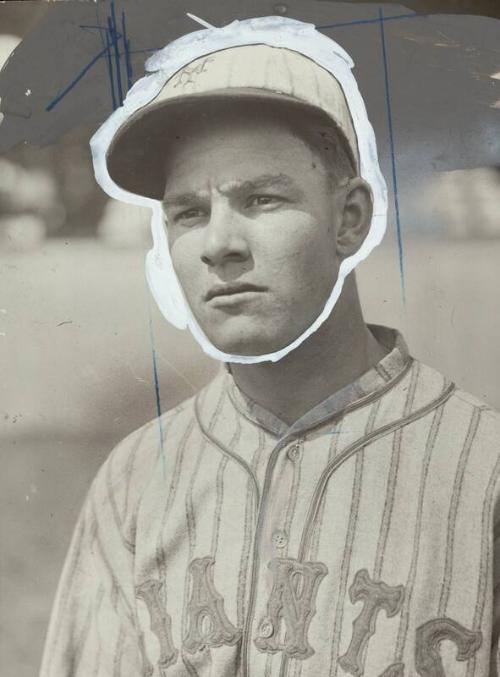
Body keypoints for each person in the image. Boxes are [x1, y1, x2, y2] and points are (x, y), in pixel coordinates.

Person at [40, 15, 500, 677]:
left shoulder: (484, 473)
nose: (218, 243)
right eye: (188, 211)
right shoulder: (134, 481)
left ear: (351, 220)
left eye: (260, 198)